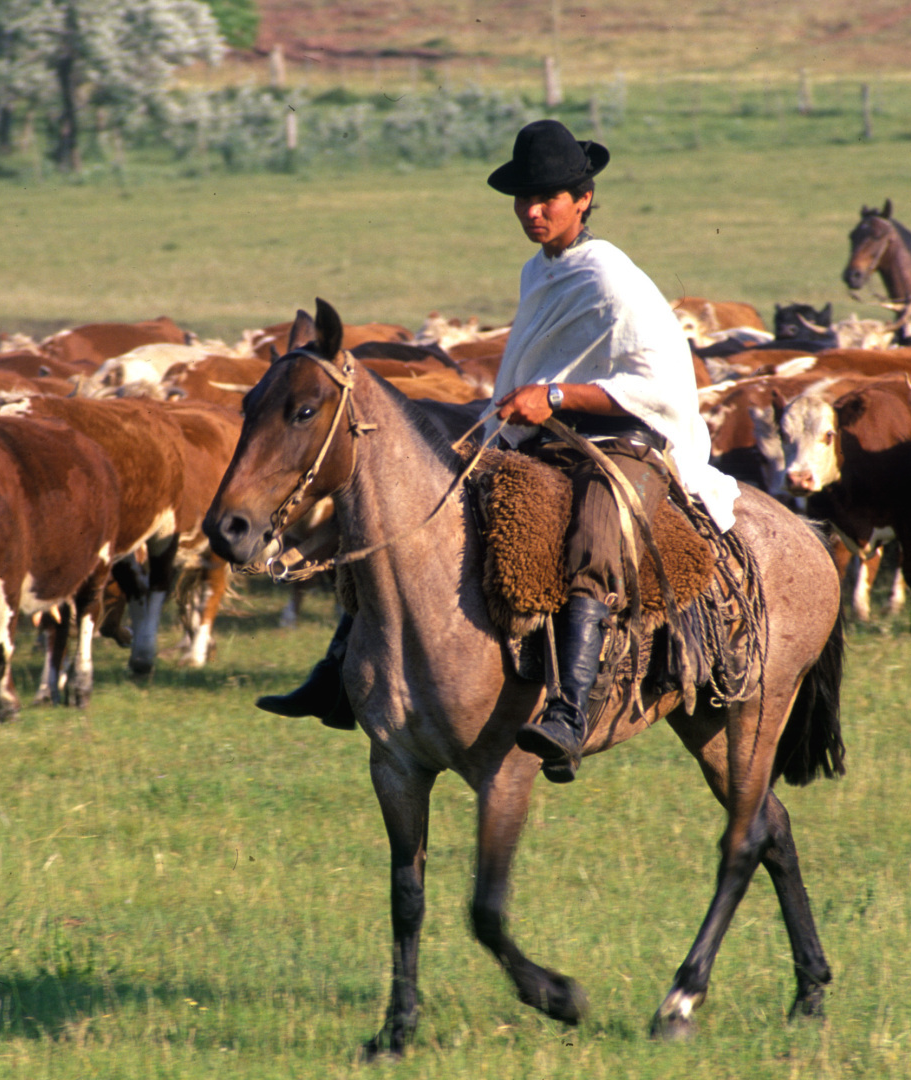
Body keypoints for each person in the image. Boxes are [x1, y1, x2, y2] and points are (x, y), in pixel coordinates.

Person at [258, 119, 739, 784]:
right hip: (537, 434)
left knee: (595, 536)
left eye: (547, 199)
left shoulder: (613, 278)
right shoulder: (538, 272)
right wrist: (529, 404)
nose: (532, 211)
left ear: (583, 199)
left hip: (627, 440)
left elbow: (658, 385)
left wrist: (558, 397)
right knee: (407, 497)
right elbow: (533, 368)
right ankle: (342, 669)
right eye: (523, 200)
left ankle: (570, 710)